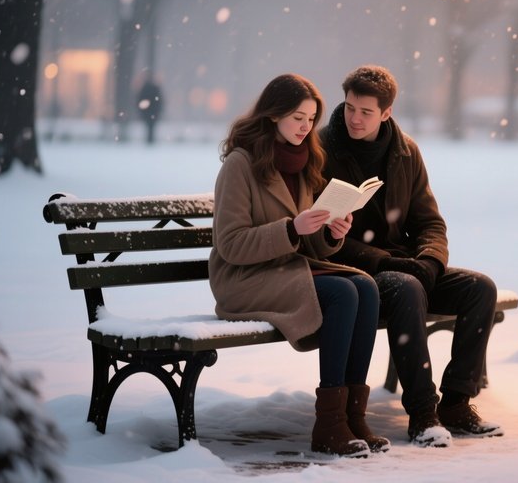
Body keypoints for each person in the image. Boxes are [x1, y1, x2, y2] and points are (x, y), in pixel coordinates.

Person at [320, 65, 502, 448]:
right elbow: (326, 234)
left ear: (386, 113)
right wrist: (386, 262)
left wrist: (431, 262)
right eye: (351, 107)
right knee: (405, 289)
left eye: (366, 112)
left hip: (407, 267)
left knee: (480, 289)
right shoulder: (323, 150)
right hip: (354, 272)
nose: (355, 118)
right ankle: (423, 414)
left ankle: (456, 403)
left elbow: (430, 221)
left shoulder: (405, 151)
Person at [208, 73, 389, 457]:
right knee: (341, 292)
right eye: (296, 118)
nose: (305, 127)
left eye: (310, 119)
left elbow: (309, 241)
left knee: (366, 288)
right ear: (273, 116)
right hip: (244, 279)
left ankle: (352, 417)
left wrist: (331, 232)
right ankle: (328, 424)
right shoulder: (240, 165)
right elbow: (230, 244)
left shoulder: (305, 161)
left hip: (285, 271)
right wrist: (291, 228)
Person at [136, 76, 164, 144]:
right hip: (152, 112)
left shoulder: (144, 89)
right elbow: (159, 101)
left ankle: (149, 140)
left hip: (148, 112)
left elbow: (140, 100)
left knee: (149, 126)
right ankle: (150, 140)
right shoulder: (155, 89)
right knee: (151, 127)